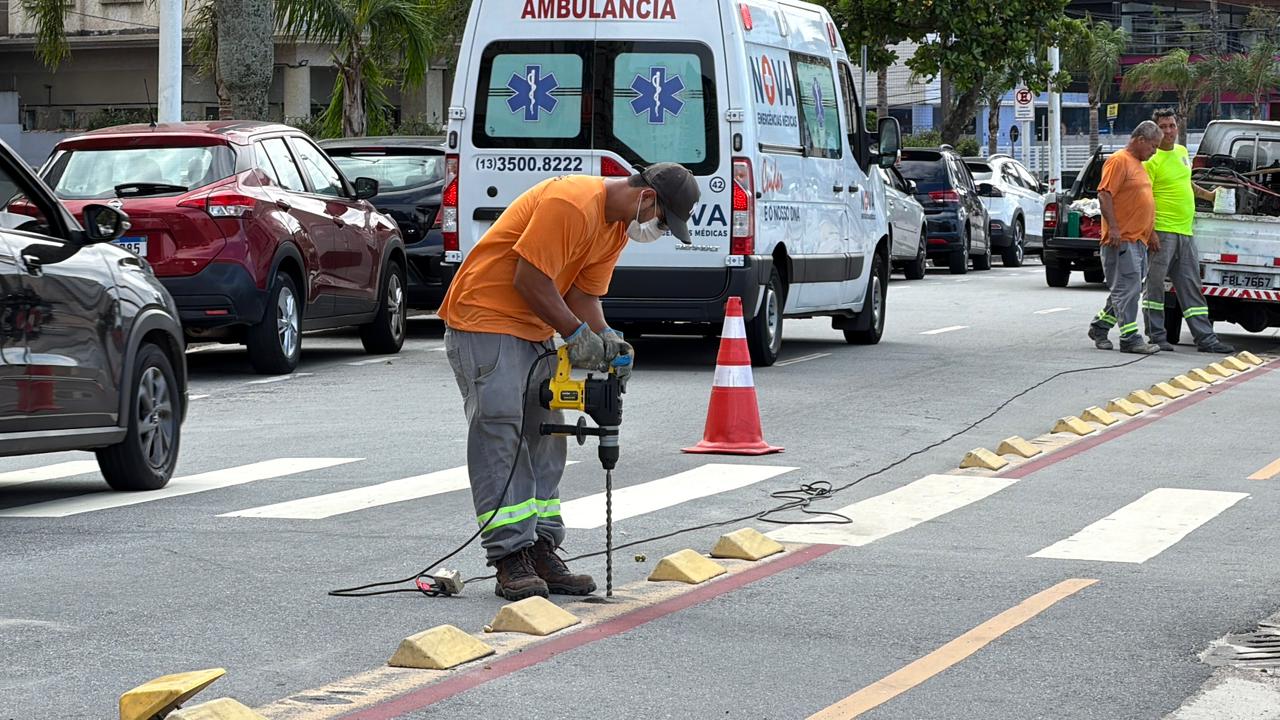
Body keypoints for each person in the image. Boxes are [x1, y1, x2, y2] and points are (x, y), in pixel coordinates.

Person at [438, 163, 700, 601]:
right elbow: (530, 279)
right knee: (502, 431)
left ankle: (541, 548)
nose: (657, 230)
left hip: (534, 327)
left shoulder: (615, 227)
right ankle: (510, 557)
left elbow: (583, 294)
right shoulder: (571, 203)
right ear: (648, 198)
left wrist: (605, 337)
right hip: (486, 319)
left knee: (546, 434)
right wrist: (577, 335)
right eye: (661, 222)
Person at [1140, 109, 1235, 353]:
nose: (1168, 131)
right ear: (1155, 129)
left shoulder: (1182, 153)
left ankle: (1206, 339)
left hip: (1185, 231)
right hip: (1162, 231)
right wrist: (1150, 232)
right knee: (1154, 286)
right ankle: (1157, 336)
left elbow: (1186, 183)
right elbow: (1144, 199)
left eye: (1172, 125)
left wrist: (1209, 195)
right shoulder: (1152, 159)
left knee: (1191, 286)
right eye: (1163, 126)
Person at [1088, 121, 1163, 354]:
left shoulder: (1138, 164)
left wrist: (1150, 233)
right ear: (1140, 140)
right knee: (1127, 290)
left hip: (1138, 239)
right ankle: (1130, 337)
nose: (1155, 151)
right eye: (1153, 146)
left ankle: (1100, 326)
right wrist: (1114, 228)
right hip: (1122, 240)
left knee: (1126, 289)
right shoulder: (1119, 161)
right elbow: (1104, 195)